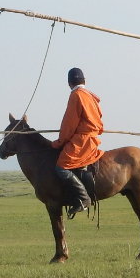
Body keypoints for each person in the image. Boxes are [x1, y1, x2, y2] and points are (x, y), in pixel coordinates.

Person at [51, 67, 104, 218]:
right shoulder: (90, 95)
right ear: (84, 81)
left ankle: (83, 198)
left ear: (69, 83)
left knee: (61, 167)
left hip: (83, 141)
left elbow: (69, 124)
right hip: (92, 138)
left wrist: (59, 142)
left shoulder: (76, 95)